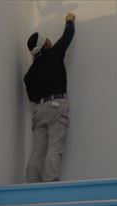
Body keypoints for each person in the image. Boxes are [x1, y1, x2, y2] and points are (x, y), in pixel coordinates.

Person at [24, 12, 76, 183]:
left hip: (39, 111)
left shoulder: (30, 73)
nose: (50, 41)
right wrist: (69, 20)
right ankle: (50, 180)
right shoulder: (55, 53)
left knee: (37, 151)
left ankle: (31, 183)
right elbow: (67, 36)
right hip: (56, 106)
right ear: (45, 44)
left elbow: (32, 96)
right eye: (47, 40)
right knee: (54, 145)